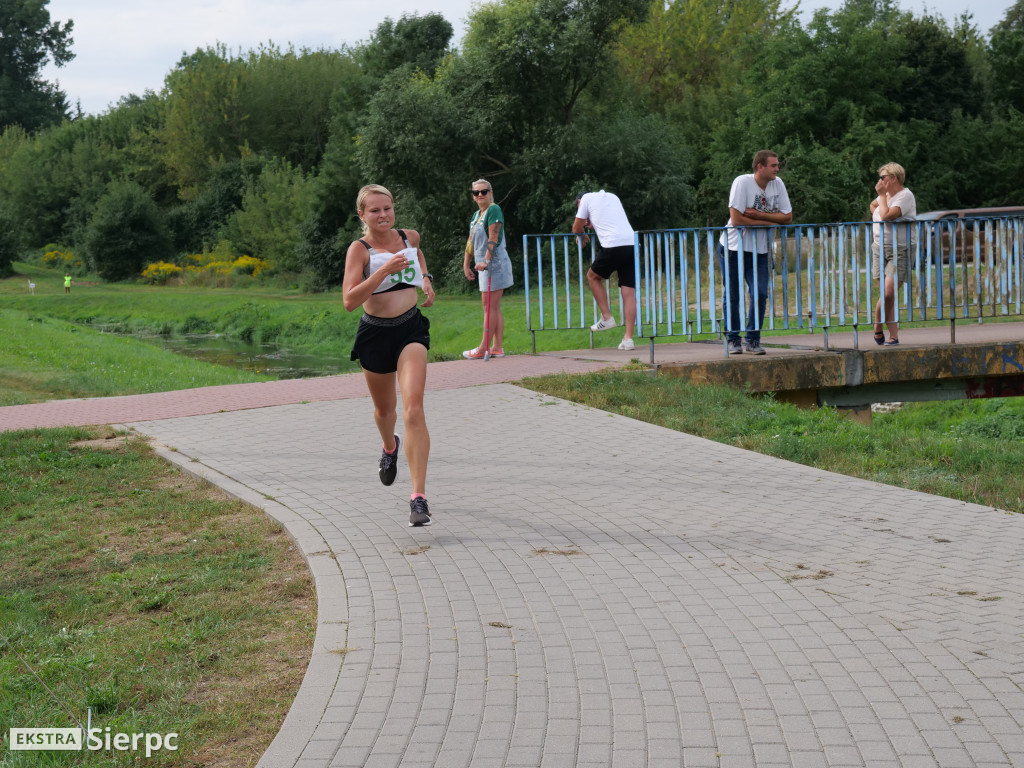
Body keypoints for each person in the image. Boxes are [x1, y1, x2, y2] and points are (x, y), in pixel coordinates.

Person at [343, 184, 437, 527]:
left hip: (410, 329)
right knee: (386, 411)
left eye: (388, 208)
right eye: (375, 210)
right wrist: (383, 271)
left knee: (413, 408)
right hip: (375, 333)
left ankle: (418, 497)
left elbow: (418, 256)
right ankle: (389, 447)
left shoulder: (409, 236)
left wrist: (425, 279)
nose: (383, 215)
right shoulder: (360, 249)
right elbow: (349, 301)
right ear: (362, 215)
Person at [717, 150, 793, 355]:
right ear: (760, 166)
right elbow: (737, 219)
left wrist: (759, 215)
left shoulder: (778, 184)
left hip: (762, 250)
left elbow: (787, 217)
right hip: (734, 248)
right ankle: (733, 339)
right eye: (773, 165)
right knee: (733, 294)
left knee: (760, 293)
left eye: (777, 165)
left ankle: (752, 340)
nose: (777, 169)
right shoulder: (742, 182)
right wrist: (769, 220)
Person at [572, 190, 637, 351]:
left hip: (612, 245)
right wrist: (590, 224)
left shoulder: (585, 200)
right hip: (631, 244)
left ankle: (607, 317)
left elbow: (575, 227)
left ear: (579, 203)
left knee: (592, 276)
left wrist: (581, 233)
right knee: (628, 292)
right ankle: (628, 339)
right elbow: (608, 221)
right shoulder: (612, 196)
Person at [462, 179, 514, 359]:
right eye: (476, 192)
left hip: (494, 264)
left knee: (489, 306)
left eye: (484, 191)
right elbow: (471, 242)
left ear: (490, 193)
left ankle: (483, 348)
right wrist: (466, 264)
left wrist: (485, 260)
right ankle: (497, 348)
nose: (480, 195)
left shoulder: (494, 209)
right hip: (482, 265)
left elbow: (494, 236)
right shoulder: (477, 215)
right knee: (493, 307)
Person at [870, 162, 916, 346]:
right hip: (879, 247)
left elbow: (887, 216)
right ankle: (894, 336)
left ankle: (877, 325)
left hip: (900, 249)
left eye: (883, 177)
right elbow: (874, 207)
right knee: (885, 294)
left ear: (894, 178)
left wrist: (882, 198)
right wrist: (881, 201)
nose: (880, 181)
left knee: (888, 294)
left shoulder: (905, 196)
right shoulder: (884, 196)